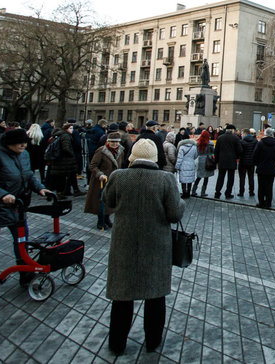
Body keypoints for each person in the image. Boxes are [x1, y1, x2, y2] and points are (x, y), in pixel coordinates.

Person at [103, 139, 184, 356]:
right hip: (156, 245)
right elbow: (175, 214)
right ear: (154, 157)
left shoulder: (118, 176)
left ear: (132, 156)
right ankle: (152, 341)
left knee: (122, 297)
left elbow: (108, 201)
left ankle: (117, 343)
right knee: (155, 296)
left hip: (124, 243)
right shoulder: (165, 179)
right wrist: (181, 202)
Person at [0, 128, 52, 289]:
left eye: (25, 142)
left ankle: (25, 272)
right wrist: (2, 195)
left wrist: (39, 188)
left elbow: (28, 175)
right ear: (9, 143)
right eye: (19, 143)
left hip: (16, 205)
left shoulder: (24, 155)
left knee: (21, 239)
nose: (23, 145)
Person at [85, 132, 125, 229]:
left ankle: (107, 218)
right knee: (101, 201)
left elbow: (121, 164)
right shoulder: (101, 151)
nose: (114, 144)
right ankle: (100, 220)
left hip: (114, 179)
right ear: (108, 141)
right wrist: (99, 174)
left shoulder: (121, 151)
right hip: (101, 180)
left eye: (116, 142)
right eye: (112, 142)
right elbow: (93, 165)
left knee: (111, 200)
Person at [48, 123, 80, 197]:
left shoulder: (60, 135)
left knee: (65, 176)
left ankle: (66, 191)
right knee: (62, 177)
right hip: (64, 160)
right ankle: (61, 193)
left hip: (61, 160)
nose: (72, 130)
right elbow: (66, 148)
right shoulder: (65, 136)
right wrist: (71, 154)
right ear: (66, 129)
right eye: (70, 128)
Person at [253, 128, 275, 209]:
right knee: (269, 186)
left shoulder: (260, 143)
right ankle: (268, 202)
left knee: (261, 186)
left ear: (265, 134)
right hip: (271, 168)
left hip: (261, 168)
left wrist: (258, 163)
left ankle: (261, 202)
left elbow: (255, 155)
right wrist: (274, 163)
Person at [213, 124, 242, 199]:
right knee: (230, 178)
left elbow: (216, 151)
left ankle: (217, 192)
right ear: (232, 130)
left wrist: (216, 161)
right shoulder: (236, 138)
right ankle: (228, 193)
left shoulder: (220, 137)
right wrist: (236, 157)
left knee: (220, 177)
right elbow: (240, 150)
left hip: (222, 161)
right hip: (232, 161)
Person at [175, 134, 199, 199]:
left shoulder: (181, 147)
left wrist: (177, 167)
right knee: (189, 179)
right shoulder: (194, 146)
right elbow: (196, 155)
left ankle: (184, 193)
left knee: (183, 180)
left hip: (183, 165)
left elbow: (179, 158)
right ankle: (188, 193)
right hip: (191, 164)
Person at [190, 129, 212, 197]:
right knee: (206, 177)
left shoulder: (198, 143)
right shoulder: (210, 144)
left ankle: (193, 190)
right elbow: (212, 152)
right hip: (207, 160)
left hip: (199, 160)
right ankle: (203, 192)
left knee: (199, 176)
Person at [237, 128, 258, 197]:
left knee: (242, 178)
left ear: (245, 134)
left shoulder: (241, 142)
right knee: (251, 177)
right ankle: (251, 192)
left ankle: (241, 192)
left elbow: (239, 152)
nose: (241, 135)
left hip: (242, 162)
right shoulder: (255, 141)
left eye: (242, 134)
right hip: (251, 162)